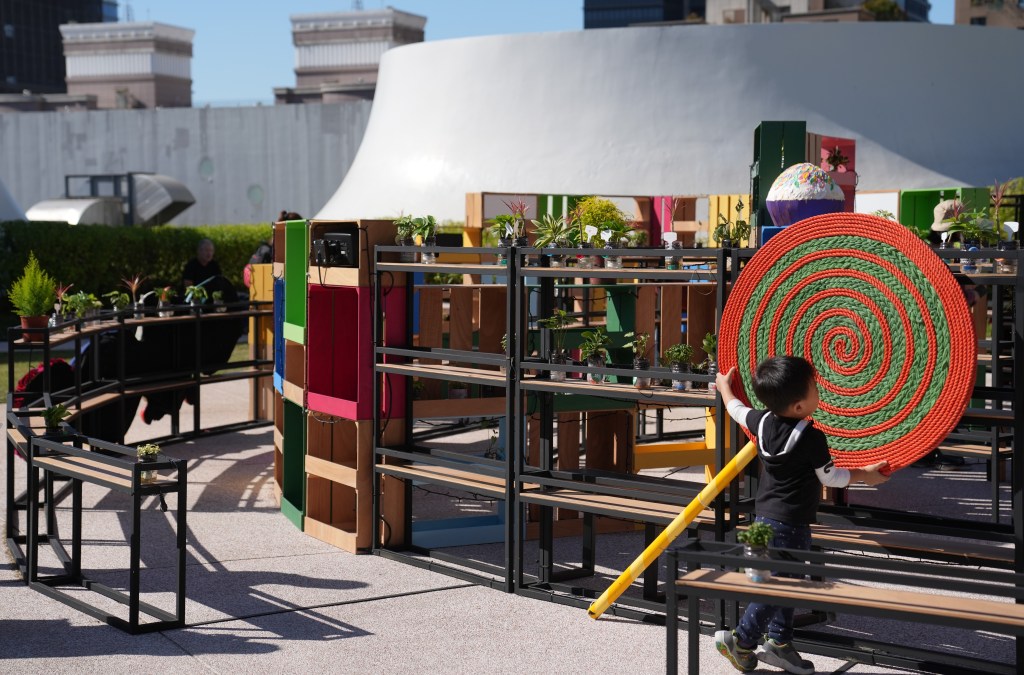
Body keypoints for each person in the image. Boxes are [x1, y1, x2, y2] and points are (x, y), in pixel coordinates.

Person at [713, 356, 890, 674]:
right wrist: (866, 474)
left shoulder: (761, 422)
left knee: (785, 582)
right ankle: (741, 640)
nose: (819, 391)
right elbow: (831, 477)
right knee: (781, 585)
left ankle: (779, 642)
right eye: (814, 388)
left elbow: (736, 409)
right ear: (798, 406)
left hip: (763, 519)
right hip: (791, 524)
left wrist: (725, 387)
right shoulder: (810, 437)